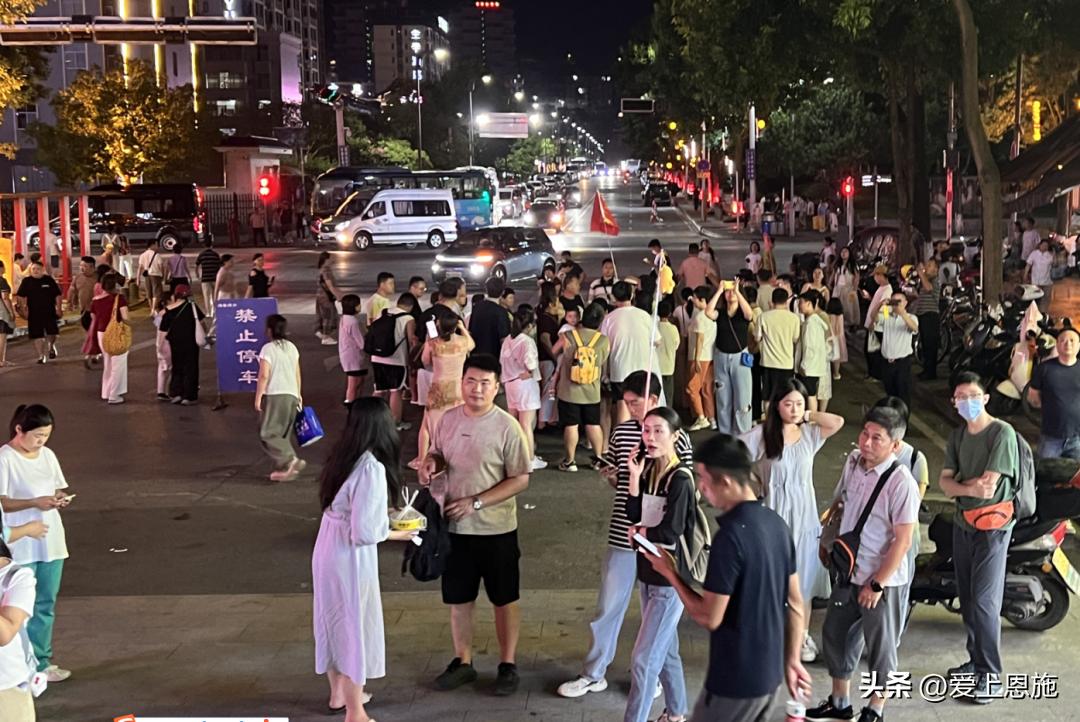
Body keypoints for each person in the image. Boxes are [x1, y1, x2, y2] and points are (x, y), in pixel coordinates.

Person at [642, 433, 812, 722]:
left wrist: (670, 572)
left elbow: (710, 617)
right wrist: (792, 658)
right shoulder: (775, 524)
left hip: (735, 682)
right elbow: (796, 603)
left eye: (703, 479)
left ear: (727, 483)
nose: (701, 488)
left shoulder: (730, 538)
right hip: (769, 676)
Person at [557, 371, 692, 702]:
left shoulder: (677, 437)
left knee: (656, 615)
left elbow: (683, 493)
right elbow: (624, 488)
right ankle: (594, 672)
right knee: (609, 606)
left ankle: (655, 674)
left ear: (654, 400)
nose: (632, 410)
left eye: (637, 403)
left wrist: (651, 458)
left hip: (659, 542)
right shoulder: (621, 434)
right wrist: (617, 475)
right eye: (628, 403)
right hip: (624, 531)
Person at [419, 354, 531, 697]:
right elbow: (437, 453)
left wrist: (476, 502)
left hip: (495, 529)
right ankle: (463, 661)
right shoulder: (449, 419)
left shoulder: (507, 427)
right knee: (459, 600)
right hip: (453, 529)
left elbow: (521, 479)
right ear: (462, 383)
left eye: (485, 383)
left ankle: (507, 664)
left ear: (497, 388)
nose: (476, 389)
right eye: (471, 381)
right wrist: (430, 463)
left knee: (504, 598)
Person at [807, 406, 920, 722]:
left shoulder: (902, 483)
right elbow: (840, 503)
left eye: (877, 438)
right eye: (864, 434)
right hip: (848, 571)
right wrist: (827, 541)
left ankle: (875, 709)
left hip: (882, 581)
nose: (867, 442)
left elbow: (903, 541)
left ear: (895, 445)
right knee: (836, 635)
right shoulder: (854, 461)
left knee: (881, 648)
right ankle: (840, 702)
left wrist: (877, 583)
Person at [312, 398, 417, 720]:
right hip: (349, 556)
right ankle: (355, 711)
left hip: (327, 546)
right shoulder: (371, 467)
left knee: (332, 619)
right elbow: (366, 531)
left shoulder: (343, 456)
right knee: (354, 624)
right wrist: (405, 531)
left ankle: (338, 695)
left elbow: (346, 508)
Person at [741, 379, 845, 662]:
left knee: (804, 583)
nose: (794, 409)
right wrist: (751, 487)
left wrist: (807, 413)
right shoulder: (762, 435)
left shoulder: (809, 434)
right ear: (776, 405)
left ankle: (801, 637)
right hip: (774, 517)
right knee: (772, 582)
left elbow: (837, 421)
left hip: (805, 517)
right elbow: (731, 456)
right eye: (788, 403)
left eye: (799, 402)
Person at [937, 372, 1019, 703]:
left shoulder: (1002, 433)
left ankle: (991, 675)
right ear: (954, 403)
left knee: (985, 603)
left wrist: (963, 486)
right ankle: (975, 661)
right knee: (968, 599)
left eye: (973, 395)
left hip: (992, 529)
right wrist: (966, 487)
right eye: (960, 397)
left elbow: (987, 487)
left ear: (985, 398)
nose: (967, 401)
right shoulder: (958, 436)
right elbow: (944, 483)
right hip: (964, 524)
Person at [623, 407, 695, 722]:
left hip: (669, 578)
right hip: (647, 570)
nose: (649, 438)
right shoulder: (651, 471)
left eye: (658, 431)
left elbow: (671, 530)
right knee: (664, 650)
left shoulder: (680, 479)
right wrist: (634, 477)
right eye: (646, 430)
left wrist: (641, 532)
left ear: (675, 437)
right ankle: (677, 713)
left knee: (643, 660)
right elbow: (633, 512)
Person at [0, 404, 73, 684]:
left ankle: (42, 662)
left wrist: (59, 498)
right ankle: (20, 667)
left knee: (45, 603)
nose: (41, 441)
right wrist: (33, 502)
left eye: (46, 435)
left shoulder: (48, 455)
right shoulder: (5, 458)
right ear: (19, 429)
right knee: (17, 610)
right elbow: (2, 501)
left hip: (50, 540)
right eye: (37, 435)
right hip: (20, 544)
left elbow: (56, 487)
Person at [552, 303, 610, 471]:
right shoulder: (604, 340)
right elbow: (603, 360)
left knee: (571, 425)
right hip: (592, 390)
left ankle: (570, 461)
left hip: (569, 390)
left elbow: (555, 351)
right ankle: (598, 459)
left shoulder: (568, 336)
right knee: (593, 424)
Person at [600, 281, 660, 424]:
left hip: (619, 370)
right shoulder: (644, 316)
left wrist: (604, 373)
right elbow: (657, 341)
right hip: (643, 368)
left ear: (613, 297)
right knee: (644, 405)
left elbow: (604, 347)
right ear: (632, 294)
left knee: (623, 405)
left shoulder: (608, 319)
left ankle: (623, 439)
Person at [255, 314, 305, 482]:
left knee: (268, 432)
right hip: (291, 394)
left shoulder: (268, 349)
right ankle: (284, 469)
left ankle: (290, 459)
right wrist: (299, 394)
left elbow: (263, 375)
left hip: (275, 394)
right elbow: (297, 373)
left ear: (269, 330)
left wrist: (258, 397)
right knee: (283, 432)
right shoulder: (292, 347)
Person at [421, 315, 475, 459]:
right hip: (457, 388)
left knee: (428, 425)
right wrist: (463, 328)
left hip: (438, 389)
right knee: (456, 424)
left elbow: (425, 361)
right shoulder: (463, 342)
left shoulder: (433, 343)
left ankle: (425, 457)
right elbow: (472, 345)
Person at [500, 305, 545, 470]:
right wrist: (531, 372)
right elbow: (531, 363)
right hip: (525, 385)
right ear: (529, 326)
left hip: (510, 383)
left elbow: (502, 361)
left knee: (515, 423)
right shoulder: (527, 341)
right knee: (526, 424)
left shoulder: (508, 339)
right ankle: (529, 459)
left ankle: (516, 456)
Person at [1028, 327, 1080, 459]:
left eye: (1072, 340)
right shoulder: (1044, 368)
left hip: (1077, 438)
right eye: (1062, 340)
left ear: (1079, 345)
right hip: (1050, 437)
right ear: (1057, 345)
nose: (1067, 343)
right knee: (1045, 475)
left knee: (1076, 478)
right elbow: (1033, 395)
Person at [371, 293, 417, 429]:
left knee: (379, 389)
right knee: (395, 390)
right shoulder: (408, 318)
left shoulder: (383, 312)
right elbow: (411, 340)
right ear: (410, 306)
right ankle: (396, 422)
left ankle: (371, 417)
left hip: (377, 357)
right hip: (397, 360)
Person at [158, 285, 207, 405]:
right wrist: (205, 334)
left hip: (174, 343)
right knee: (191, 367)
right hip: (191, 342)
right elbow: (202, 323)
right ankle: (189, 396)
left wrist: (159, 348)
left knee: (177, 367)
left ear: (175, 296)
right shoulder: (192, 307)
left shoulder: (167, 311)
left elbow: (162, 332)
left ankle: (176, 393)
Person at [755, 288, 800, 415]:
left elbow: (757, 338)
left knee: (768, 395)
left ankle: (769, 421)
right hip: (786, 363)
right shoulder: (794, 318)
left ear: (772, 301)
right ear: (786, 301)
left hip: (768, 363)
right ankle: (784, 419)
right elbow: (796, 339)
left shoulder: (763, 317)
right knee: (786, 395)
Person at [88, 272, 130, 405]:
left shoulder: (95, 300)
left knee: (108, 363)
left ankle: (106, 392)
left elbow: (93, 318)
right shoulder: (120, 299)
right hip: (116, 333)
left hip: (101, 333)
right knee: (118, 364)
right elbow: (126, 317)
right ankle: (114, 394)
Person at [874, 290, 918, 408]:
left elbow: (914, 328)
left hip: (902, 363)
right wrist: (881, 305)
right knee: (890, 394)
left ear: (905, 303)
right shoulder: (887, 316)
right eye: (894, 301)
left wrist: (902, 313)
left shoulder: (910, 317)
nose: (896, 304)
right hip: (887, 362)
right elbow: (876, 319)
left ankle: (904, 422)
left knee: (903, 394)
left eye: (899, 301)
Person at [15, 261, 62, 365]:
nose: (35, 271)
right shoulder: (27, 281)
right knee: (37, 335)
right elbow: (20, 296)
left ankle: (51, 346)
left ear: (43, 270)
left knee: (52, 332)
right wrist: (23, 309)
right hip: (34, 313)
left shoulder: (48, 280)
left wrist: (59, 308)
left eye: (38, 269)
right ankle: (41, 355)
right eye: (33, 269)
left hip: (49, 311)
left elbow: (58, 295)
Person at [686, 286, 717, 432]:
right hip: (710, 356)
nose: (693, 300)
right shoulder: (713, 314)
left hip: (700, 357)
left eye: (695, 298)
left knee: (692, 388)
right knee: (707, 389)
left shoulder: (700, 317)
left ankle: (701, 417)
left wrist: (696, 359)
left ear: (702, 300)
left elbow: (700, 339)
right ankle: (712, 418)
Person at [797, 291, 830, 412]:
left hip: (809, 366)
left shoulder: (811, 323)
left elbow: (810, 347)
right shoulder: (815, 321)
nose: (799, 305)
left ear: (809, 303)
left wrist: (803, 365)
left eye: (801, 302)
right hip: (815, 365)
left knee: (810, 395)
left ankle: (812, 420)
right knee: (811, 394)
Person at [468, 276, 512, 358]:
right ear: (502, 292)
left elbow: (470, 330)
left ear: (486, 289)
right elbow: (504, 339)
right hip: (493, 356)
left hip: (476, 354)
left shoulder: (477, 307)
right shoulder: (501, 312)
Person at [862, 266, 893, 380]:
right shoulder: (882, 288)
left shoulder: (887, 290)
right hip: (873, 323)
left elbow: (884, 308)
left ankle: (875, 374)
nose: (875, 278)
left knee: (873, 350)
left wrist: (875, 322)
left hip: (877, 325)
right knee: (870, 349)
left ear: (881, 276)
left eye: (876, 275)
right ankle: (873, 373)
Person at [913, 259, 941, 380]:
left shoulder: (935, 280)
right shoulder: (925, 279)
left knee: (930, 345)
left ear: (936, 269)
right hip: (923, 315)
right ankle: (926, 370)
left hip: (931, 315)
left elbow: (929, 288)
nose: (926, 267)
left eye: (929, 265)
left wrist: (921, 273)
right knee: (925, 345)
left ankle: (931, 373)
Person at [338, 294, 367, 404]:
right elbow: (361, 342)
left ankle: (353, 401)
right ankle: (350, 402)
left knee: (356, 381)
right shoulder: (353, 322)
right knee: (354, 382)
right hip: (354, 357)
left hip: (347, 354)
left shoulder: (344, 319)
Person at [656, 298, 681, 409]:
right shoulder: (673, 329)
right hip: (669, 367)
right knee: (668, 395)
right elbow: (676, 345)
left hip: (656, 367)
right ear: (670, 313)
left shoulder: (654, 328)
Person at [316, 252, 342, 346]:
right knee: (329, 316)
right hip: (325, 297)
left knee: (326, 315)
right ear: (326, 260)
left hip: (322, 296)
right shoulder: (326, 270)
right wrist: (338, 296)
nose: (332, 260)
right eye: (331, 258)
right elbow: (330, 285)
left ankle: (321, 332)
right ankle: (326, 337)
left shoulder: (324, 269)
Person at [152, 291, 174, 402]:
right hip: (167, 343)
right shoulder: (168, 314)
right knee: (172, 367)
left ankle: (161, 391)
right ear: (167, 302)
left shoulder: (159, 314)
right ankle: (171, 390)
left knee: (162, 368)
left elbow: (156, 325)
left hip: (159, 343)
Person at [832, 247, 861, 329]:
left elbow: (857, 276)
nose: (843, 253)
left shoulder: (853, 265)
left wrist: (854, 289)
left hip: (849, 288)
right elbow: (835, 275)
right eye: (842, 252)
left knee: (850, 307)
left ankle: (852, 323)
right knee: (839, 306)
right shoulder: (839, 265)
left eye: (845, 252)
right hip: (838, 288)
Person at [68, 256, 96, 336]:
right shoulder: (78, 277)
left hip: (97, 310)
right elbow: (72, 290)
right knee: (88, 330)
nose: (81, 268)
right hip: (84, 310)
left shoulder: (99, 277)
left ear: (92, 267)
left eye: (84, 266)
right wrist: (70, 302)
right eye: (81, 266)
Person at [1025, 238, 1055, 313]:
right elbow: (1028, 264)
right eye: (1043, 245)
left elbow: (1054, 264)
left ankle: (1043, 313)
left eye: (1046, 246)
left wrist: (1054, 255)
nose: (1044, 247)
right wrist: (1025, 274)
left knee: (1046, 299)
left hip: (1047, 281)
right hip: (1036, 281)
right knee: (1035, 299)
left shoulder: (1049, 255)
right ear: (1040, 245)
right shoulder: (1034, 254)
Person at [195, 240, 222, 318]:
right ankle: (216, 311)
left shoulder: (202, 255)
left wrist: (197, 275)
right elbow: (220, 266)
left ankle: (208, 313)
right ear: (211, 245)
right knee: (215, 295)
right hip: (214, 278)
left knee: (207, 296)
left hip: (205, 278)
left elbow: (197, 265)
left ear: (204, 245)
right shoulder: (215, 254)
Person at [827, 298, 848, 381]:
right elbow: (840, 329)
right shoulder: (840, 315)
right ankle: (836, 373)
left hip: (829, 337)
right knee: (837, 358)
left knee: (828, 355)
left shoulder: (827, 315)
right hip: (838, 338)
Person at [0, 260, 16, 367]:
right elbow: (5, 298)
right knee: (1, 337)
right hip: (1, 312)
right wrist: (11, 312)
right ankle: (1, 360)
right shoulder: (2, 281)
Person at [137, 239, 162, 305]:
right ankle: (154, 309)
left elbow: (139, 268)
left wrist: (138, 279)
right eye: (156, 244)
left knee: (149, 293)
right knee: (156, 293)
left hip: (147, 276)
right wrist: (162, 275)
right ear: (152, 245)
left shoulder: (142, 255)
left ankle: (151, 308)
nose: (157, 246)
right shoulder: (157, 255)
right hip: (156, 275)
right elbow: (161, 266)